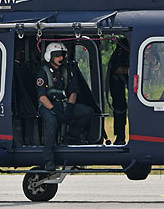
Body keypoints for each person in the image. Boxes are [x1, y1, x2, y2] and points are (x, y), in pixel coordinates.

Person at [35, 42, 94, 171]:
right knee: (51, 122)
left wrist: (70, 108)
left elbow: (73, 91)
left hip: (63, 104)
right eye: (56, 55)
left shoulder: (67, 71)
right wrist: (53, 109)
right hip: (47, 105)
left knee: (87, 112)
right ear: (50, 56)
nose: (60, 58)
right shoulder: (43, 72)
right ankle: (48, 159)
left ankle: (71, 137)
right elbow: (42, 97)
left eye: (61, 55)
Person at [107, 38, 130, 145]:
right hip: (117, 85)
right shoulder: (119, 54)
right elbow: (115, 69)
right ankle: (120, 137)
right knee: (119, 108)